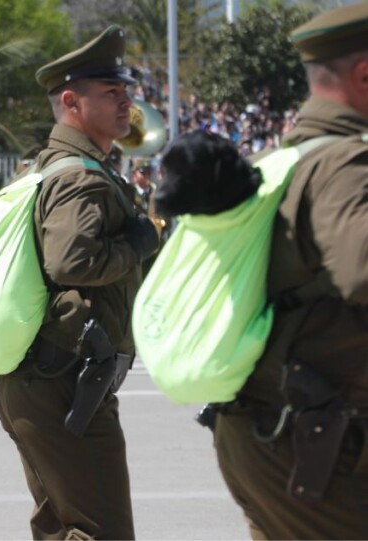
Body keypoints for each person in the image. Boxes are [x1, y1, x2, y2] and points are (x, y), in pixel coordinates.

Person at [0, 26, 159, 539]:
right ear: (71, 102)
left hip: (53, 379)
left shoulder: (61, 166)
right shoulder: (78, 177)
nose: (126, 104)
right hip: (63, 381)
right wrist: (138, 242)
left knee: (66, 528)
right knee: (101, 530)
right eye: (111, 93)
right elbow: (71, 261)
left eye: (125, 91)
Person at [212, 4, 368, 538]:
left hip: (269, 428)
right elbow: (360, 273)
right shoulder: (345, 162)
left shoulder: (278, 160)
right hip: (313, 437)